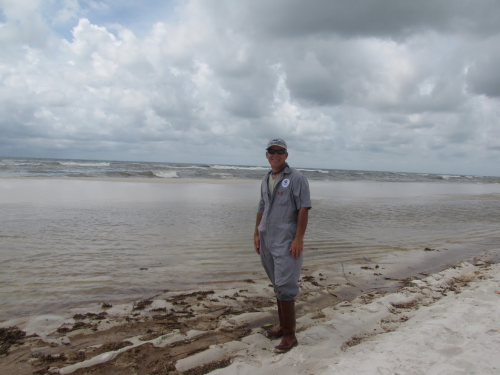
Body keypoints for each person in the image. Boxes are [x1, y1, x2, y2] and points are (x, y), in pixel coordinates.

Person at [254, 138, 311, 353]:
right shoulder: (266, 178)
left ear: (286, 155)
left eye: (280, 151)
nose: (275, 154)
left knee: (286, 285)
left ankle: (290, 335)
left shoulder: (296, 178)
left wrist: (299, 239)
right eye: (271, 151)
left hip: (286, 240)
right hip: (266, 237)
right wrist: (256, 234)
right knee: (277, 283)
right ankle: (282, 327)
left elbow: (304, 208)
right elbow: (261, 207)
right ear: (266, 154)